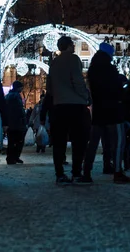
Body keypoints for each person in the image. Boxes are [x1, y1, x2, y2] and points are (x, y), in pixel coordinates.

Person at [84, 42, 130, 184]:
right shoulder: (110, 70)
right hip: (113, 110)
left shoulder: (93, 70)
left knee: (93, 142)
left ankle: (86, 171)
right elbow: (116, 89)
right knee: (119, 141)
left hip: (99, 110)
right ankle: (118, 171)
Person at [46, 36, 92, 184]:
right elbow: (77, 80)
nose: (73, 47)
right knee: (79, 141)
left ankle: (59, 174)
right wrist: (85, 96)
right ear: (69, 46)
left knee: (59, 142)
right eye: (72, 45)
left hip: (59, 106)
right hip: (75, 105)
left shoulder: (54, 63)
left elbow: (50, 87)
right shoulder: (73, 59)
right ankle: (76, 173)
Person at [5, 81, 27, 164]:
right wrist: (24, 120)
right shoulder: (16, 96)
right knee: (19, 141)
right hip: (18, 123)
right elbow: (20, 110)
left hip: (10, 123)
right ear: (18, 87)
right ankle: (15, 157)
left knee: (11, 141)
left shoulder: (7, 96)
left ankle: (10, 158)